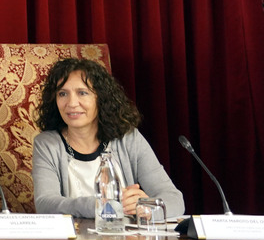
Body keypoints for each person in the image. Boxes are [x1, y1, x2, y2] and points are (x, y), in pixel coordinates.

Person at [32, 57, 184, 218]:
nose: (71, 103)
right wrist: (101, 204)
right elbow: (45, 203)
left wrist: (147, 208)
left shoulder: (128, 138)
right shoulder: (47, 144)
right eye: (62, 93)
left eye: (82, 93)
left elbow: (174, 199)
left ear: (101, 98)